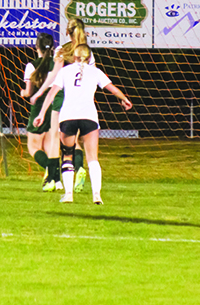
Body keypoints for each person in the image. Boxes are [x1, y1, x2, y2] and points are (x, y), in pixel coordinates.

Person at [34, 44, 132, 204]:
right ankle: (96, 195)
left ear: (74, 57)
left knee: (67, 155)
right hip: (89, 116)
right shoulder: (96, 71)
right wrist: (124, 99)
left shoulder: (65, 71)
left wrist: (41, 113)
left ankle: (68, 195)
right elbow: (112, 88)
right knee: (92, 157)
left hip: (68, 116)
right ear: (88, 58)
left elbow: (52, 93)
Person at [30, 18, 93, 192]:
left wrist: (40, 92)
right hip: (80, 99)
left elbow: (54, 77)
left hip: (61, 97)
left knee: (54, 140)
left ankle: (52, 180)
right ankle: (79, 168)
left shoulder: (62, 50)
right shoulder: (88, 52)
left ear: (67, 32)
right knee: (74, 141)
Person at [21, 32, 61, 191]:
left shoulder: (31, 65)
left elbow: (29, 92)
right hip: (55, 106)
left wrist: (23, 93)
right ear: (52, 48)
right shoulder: (59, 64)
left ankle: (53, 176)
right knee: (50, 147)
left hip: (39, 107)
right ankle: (57, 181)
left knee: (33, 147)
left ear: (36, 46)